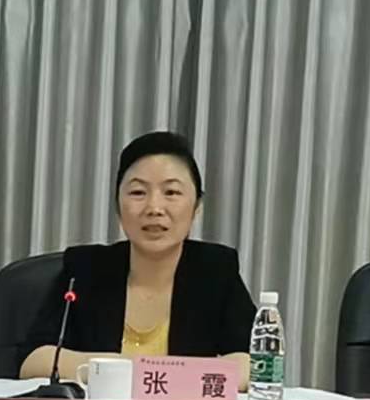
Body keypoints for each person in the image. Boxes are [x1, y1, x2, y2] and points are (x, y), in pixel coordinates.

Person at [18, 131, 254, 380]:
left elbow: (258, 364)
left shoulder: (215, 270)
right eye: (138, 193)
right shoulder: (86, 268)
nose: (154, 208)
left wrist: (155, 374)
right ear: (118, 207)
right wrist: (138, 370)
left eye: (171, 192)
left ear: (196, 207)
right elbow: (33, 361)